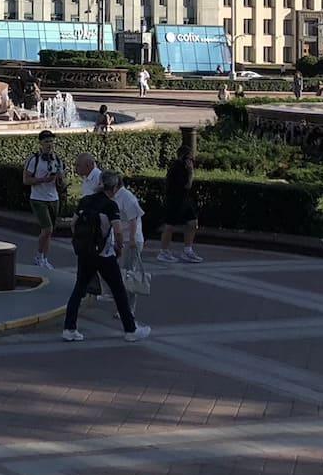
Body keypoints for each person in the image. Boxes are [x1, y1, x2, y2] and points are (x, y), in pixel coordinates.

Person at [61, 176, 149, 343]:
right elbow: (118, 231)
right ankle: (130, 329)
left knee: (79, 289)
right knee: (119, 291)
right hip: (104, 254)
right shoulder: (110, 205)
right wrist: (118, 248)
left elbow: (73, 224)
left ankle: (69, 328)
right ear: (114, 188)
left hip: (85, 253)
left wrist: (82, 243)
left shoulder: (85, 200)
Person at [23, 129, 68, 270]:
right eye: (46, 142)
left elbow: (62, 182)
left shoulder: (57, 160)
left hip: (53, 198)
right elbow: (26, 180)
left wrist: (59, 180)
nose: (50, 144)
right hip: (38, 198)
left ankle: (44, 258)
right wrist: (43, 180)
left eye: (51, 142)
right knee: (47, 229)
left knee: (50, 231)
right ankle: (39, 255)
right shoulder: (34, 160)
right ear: (40, 143)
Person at [157, 128, 201, 263]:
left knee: (193, 223)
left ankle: (188, 250)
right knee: (169, 226)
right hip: (174, 200)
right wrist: (191, 172)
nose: (191, 160)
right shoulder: (177, 168)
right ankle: (163, 251)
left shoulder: (182, 167)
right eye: (189, 158)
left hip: (184, 200)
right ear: (183, 157)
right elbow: (187, 185)